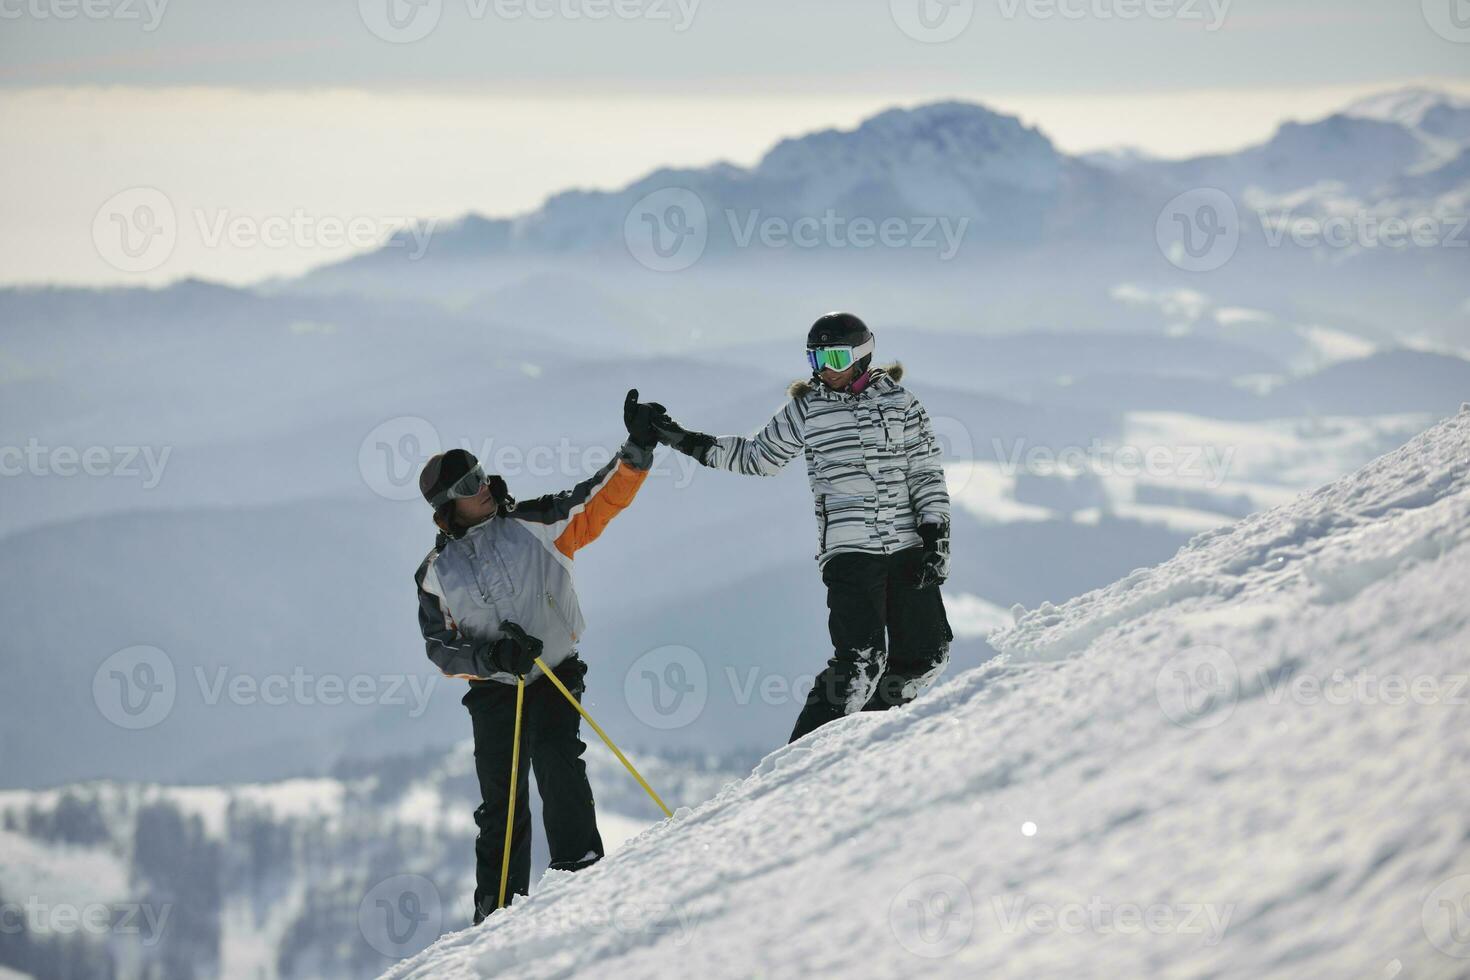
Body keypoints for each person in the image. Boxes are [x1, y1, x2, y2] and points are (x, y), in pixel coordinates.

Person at [413, 390, 665, 922]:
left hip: (553, 673)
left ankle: (582, 869)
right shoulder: (437, 574)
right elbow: (441, 648)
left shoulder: (536, 525)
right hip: (495, 692)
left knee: (557, 762)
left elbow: (595, 499)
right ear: (446, 507)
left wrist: (636, 448)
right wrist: (493, 657)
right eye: (466, 486)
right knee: (502, 805)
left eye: (479, 474)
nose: (481, 487)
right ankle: (497, 912)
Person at [653, 312, 954, 743]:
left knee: (927, 654)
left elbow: (926, 473)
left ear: (863, 355)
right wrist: (680, 438)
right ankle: (801, 757)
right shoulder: (807, 410)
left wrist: (935, 535)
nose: (825, 369)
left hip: (907, 544)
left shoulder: (902, 404)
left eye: (835, 356)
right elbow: (757, 457)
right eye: (816, 359)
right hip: (851, 552)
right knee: (859, 662)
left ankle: (871, 736)